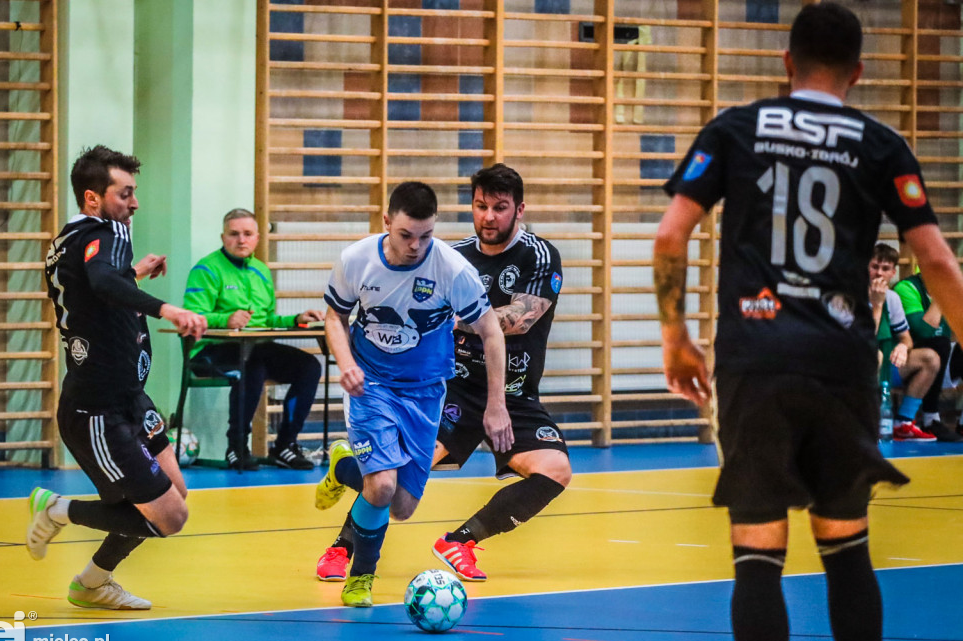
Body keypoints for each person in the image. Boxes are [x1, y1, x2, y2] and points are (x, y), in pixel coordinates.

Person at [653, 4, 963, 641]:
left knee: (758, 554)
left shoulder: (736, 129)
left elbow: (671, 235)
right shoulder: (879, 143)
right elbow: (937, 261)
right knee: (847, 547)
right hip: (841, 364)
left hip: (753, 361)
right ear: (857, 72)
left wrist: (676, 338)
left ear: (786, 63)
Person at [314, 164, 570, 584]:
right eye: (481, 206)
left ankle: (461, 540)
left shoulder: (540, 256)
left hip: (511, 392)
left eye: (500, 208)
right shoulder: (453, 256)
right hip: (452, 387)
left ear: (519, 210)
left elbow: (522, 318)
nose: (488, 217)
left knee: (555, 469)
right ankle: (344, 543)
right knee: (389, 484)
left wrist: (460, 321)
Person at [30, 145, 207, 609]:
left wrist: (134, 272)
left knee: (175, 495)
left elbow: (96, 288)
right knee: (168, 517)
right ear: (94, 198)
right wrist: (167, 307)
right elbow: (104, 283)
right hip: (98, 411)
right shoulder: (107, 230)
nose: (134, 204)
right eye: (125, 193)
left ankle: (91, 583)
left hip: (131, 398)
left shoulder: (74, 237)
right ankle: (57, 509)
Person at [183, 208, 324, 470]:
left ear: (257, 238)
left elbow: (267, 321)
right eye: (234, 234)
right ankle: (236, 448)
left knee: (309, 366)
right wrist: (226, 320)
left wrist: (295, 319)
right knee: (252, 365)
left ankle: (284, 447)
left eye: (247, 234)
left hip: (255, 348)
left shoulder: (261, 271)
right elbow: (192, 316)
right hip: (211, 351)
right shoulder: (206, 269)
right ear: (223, 237)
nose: (241, 240)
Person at [868, 244, 944, 441]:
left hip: (886, 367)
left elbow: (906, 338)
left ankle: (903, 422)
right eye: (874, 266)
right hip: (856, 367)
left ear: (893, 272)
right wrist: (877, 305)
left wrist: (903, 346)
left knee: (930, 358)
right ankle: (867, 421)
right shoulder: (853, 296)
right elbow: (864, 342)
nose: (879, 273)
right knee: (875, 355)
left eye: (885, 269)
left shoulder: (892, 298)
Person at [892, 269, 960, 439]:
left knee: (943, 345)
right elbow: (923, 332)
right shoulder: (906, 288)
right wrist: (940, 297)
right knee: (939, 343)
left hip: (940, 361)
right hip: (912, 362)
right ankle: (931, 418)